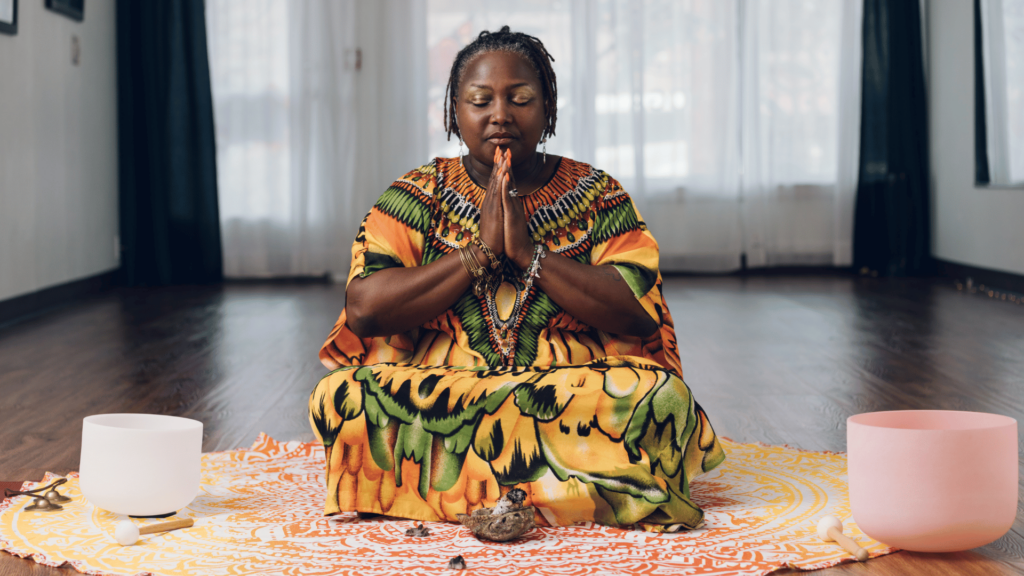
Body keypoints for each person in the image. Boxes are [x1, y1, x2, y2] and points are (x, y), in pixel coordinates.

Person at [309, 26, 725, 532]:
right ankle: (577, 494)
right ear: (453, 112)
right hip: (445, 397)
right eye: (480, 100)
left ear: (548, 108)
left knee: (660, 397)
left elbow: (636, 313)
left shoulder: (599, 194)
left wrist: (530, 255)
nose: (500, 114)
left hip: (567, 397)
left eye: (521, 99)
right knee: (343, 394)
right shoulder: (416, 194)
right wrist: (476, 254)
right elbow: (365, 309)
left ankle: (445, 491)